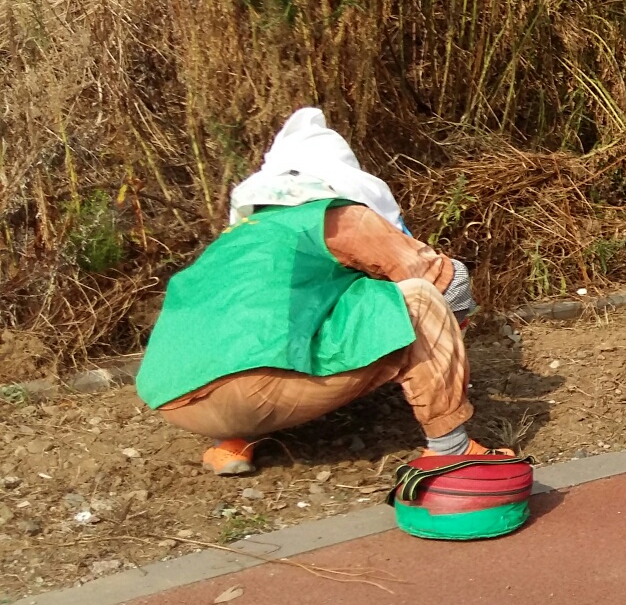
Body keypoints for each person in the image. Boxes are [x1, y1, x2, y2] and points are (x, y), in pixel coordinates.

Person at [135, 109, 498, 476]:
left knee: (256, 339)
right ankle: (453, 449)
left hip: (175, 398)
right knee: (419, 299)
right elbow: (446, 281)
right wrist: (452, 334)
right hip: (259, 393)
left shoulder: (240, 235)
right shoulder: (339, 215)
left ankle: (231, 443)